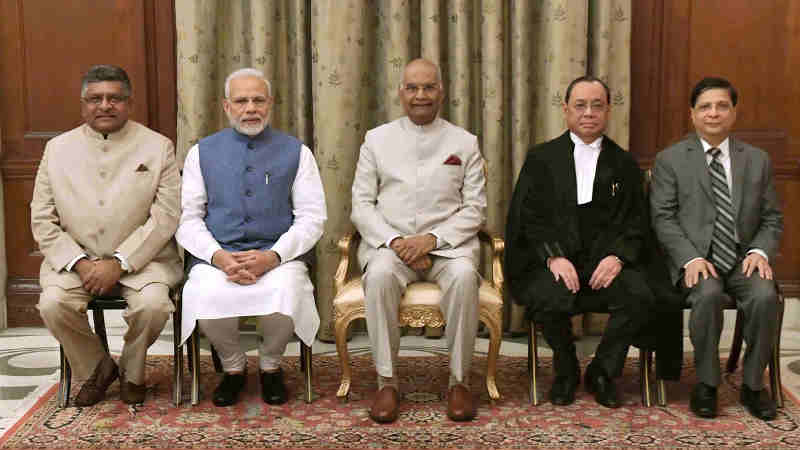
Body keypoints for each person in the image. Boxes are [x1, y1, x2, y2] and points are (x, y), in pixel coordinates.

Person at [31, 65, 182, 406]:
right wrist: (81, 263)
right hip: (74, 261)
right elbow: (42, 218)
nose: (105, 106)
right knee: (53, 304)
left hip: (146, 260)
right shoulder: (57, 149)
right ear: (82, 104)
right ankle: (97, 367)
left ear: (129, 103)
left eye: (114, 98)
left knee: (154, 305)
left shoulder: (158, 147)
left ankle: (132, 370)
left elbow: (166, 215)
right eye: (95, 99)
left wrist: (121, 261)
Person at [176, 68, 326, 407]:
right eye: (241, 101)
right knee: (204, 290)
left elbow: (312, 218)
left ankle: (271, 365)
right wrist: (219, 257)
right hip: (218, 256)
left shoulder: (296, 152)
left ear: (270, 104)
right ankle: (233, 366)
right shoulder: (201, 152)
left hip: (278, 256)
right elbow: (188, 219)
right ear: (226, 106)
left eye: (258, 100)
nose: (250, 108)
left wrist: (273, 257)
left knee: (287, 289)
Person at [505, 76, 655, 409]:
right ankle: (566, 369)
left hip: (604, 263)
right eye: (580, 105)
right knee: (545, 295)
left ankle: (602, 370)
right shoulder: (541, 159)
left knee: (640, 294)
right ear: (566, 110)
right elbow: (527, 219)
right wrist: (552, 257)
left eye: (597, 105)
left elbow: (637, 222)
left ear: (608, 111)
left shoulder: (624, 163)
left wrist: (618, 257)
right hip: (558, 262)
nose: (589, 113)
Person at [351, 59, 487, 423]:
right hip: (390, 246)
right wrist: (398, 243)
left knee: (463, 277)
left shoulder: (464, 142)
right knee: (378, 276)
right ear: (401, 93)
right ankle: (387, 382)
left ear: (441, 91)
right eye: (412, 88)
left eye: (428, 87)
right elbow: (362, 206)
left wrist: (431, 241)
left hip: (448, 246)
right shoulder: (376, 140)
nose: (421, 95)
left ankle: (459, 382)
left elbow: (475, 209)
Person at [650, 77, 783, 421]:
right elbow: (662, 218)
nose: (714, 113)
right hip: (696, 260)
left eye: (722, 106)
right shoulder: (670, 160)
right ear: (692, 114)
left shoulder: (757, 160)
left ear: (734, 113)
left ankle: (753, 385)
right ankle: (707, 384)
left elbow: (771, 218)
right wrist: (689, 258)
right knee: (707, 295)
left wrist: (760, 252)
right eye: (705, 106)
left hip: (743, 260)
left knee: (765, 297)